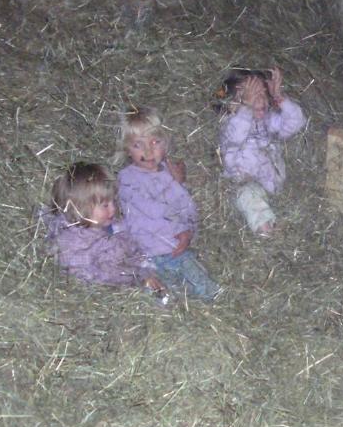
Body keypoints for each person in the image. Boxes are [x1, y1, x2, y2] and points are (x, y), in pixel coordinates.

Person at [116, 106, 222, 302]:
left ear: (165, 144)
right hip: (147, 254)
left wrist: (178, 183)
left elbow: (185, 206)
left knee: (205, 285)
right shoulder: (128, 179)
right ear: (127, 149)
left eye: (155, 142)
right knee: (159, 293)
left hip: (176, 250)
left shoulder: (167, 171)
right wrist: (179, 229)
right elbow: (150, 211)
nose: (148, 150)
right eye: (138, 145)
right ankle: (164, 299)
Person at [43, 161, 166, 297]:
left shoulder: (115, 226)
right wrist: (135, 279)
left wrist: (146, 271)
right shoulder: (72, 243)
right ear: (80, 207)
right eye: (105, 205)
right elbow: (89, 276)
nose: (113, 209)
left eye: (113, 201)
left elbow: (134, 251)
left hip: (134, 281)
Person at [218, 67, 307, 237]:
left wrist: (279, 97)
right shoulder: (230, 126)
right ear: (231, 103)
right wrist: (245, 109)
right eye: (248, 95)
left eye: (262, 93)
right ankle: (266, 232)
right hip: (244, 184)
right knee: (249, 196)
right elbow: (232, 143)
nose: (257, 99)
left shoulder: (268, 121)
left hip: (273, 188)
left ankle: (277, 220)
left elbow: (297, 122)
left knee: (288, 202)